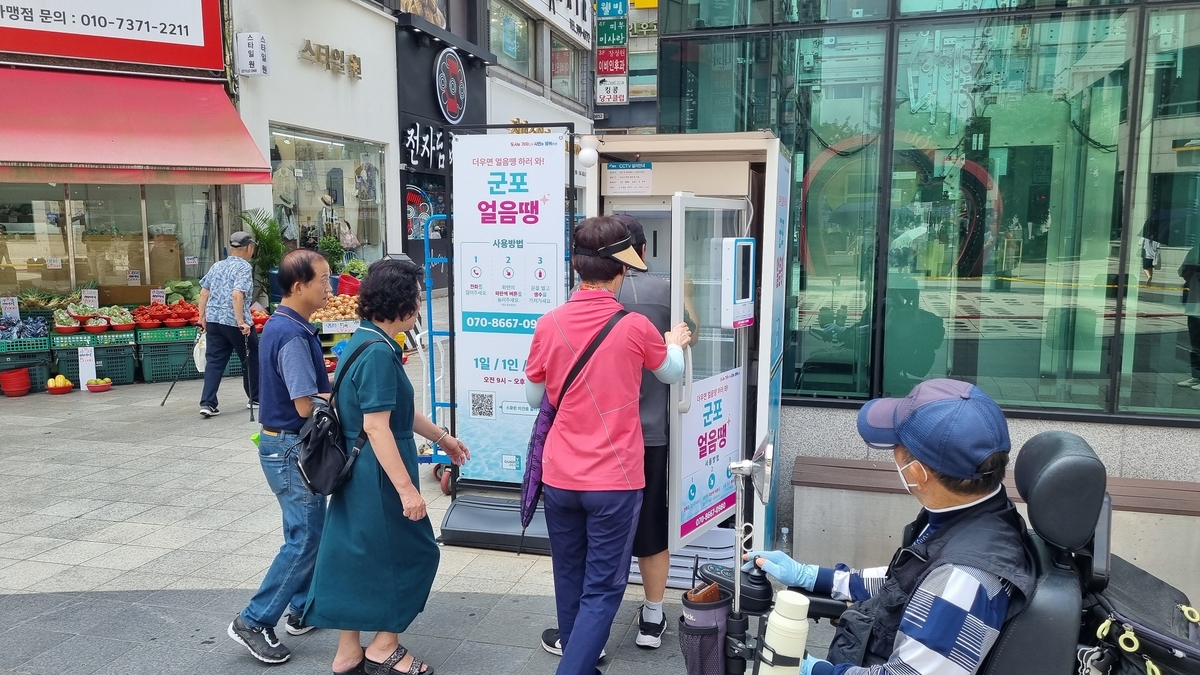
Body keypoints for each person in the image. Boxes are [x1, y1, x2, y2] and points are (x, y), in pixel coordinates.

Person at [743, 378, 1034, 675]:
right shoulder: (969, 513)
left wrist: (812, 671)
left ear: (918, 472)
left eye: (898, 443)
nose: (893, 451)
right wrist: (814, 577)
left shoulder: (963, 578)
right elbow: (908, 583)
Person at [525, 216, 692, 675]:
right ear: (621, 270)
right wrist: (674, 342)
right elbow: (671, 373)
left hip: (559, 476)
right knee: (603, 587)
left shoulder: (550, 322)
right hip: (614, 479)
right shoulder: (635, 326)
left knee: (569, 577)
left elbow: (535, 396)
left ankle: (583, 659)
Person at [303, 258, 470, 675]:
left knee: (356, 557)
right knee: (414, 554)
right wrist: (408, 491)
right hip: (379, 475)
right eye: (416, 297)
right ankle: (384, 646)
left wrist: (441, 438)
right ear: (406, 304)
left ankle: (348, 653)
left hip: (355, 472)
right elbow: (378, 428)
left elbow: (397, 410)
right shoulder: (380, 352)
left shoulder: (361, 340)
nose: (419, 304)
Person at [227, 249, 332, 665]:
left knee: (309, 532)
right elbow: (305, 405)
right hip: (290, 446)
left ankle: (302, 609)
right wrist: (343, 389)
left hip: (284, 444)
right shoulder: (290, 334)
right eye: (323, 280)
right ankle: (253, 620)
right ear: (298, 286)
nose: (330, 286)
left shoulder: (285, 324)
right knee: (304, 537)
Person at [610, 214, 698, 649]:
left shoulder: (578, 300)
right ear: (641, 252)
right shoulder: (663, 290)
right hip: (649, 433)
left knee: (601, 532)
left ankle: (593, 622)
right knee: (650, 527)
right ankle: (651, 618)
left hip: (595, 437)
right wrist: (685, 301)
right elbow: (690, 335)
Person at [197, 231, 260, 417]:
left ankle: (207, 403)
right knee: (251, 357)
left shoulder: (217, 265)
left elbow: (203, 292)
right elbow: (237, 294)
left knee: (214, 361)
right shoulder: (244, 268)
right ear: (249, 248)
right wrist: (241, 321)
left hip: (214, 320)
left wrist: (202, 318)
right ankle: (255, 397)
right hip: (235, 323)